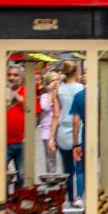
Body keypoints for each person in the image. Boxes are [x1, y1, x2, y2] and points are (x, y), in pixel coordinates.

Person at [49, 60, 85, 203]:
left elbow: (56, 115)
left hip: (62, 133)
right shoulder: (82, 89)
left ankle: (70, 198)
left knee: (67, 169)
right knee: (80, 168)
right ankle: (79, 197)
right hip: (79, 130)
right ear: (76, 72)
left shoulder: (58, 91)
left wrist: (51, 138)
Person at [38, 72, 59, 173]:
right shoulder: (44, 96)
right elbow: (45, 107)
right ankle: (51, 177)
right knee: (50, 158)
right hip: (47, 130)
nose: (55, 82)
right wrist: (52, 95)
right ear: (47, 84)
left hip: (60, 129)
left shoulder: (61, 95)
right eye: (52, 81)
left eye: (57, 80)